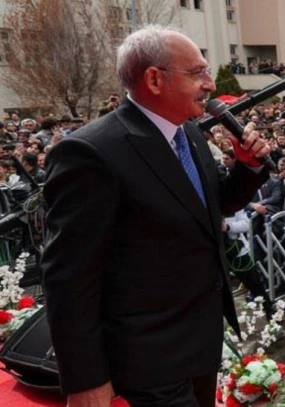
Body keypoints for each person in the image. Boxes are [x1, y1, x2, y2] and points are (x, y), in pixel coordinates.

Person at [41, 26, 271, 407]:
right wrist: (85, 379)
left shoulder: (190, 135)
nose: (210, 84)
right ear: (154, 79)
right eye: (197, 73)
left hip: (198, 345)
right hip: (144, 362)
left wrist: (246, 170)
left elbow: (207, 209)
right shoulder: (91, 153)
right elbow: (68, 278)